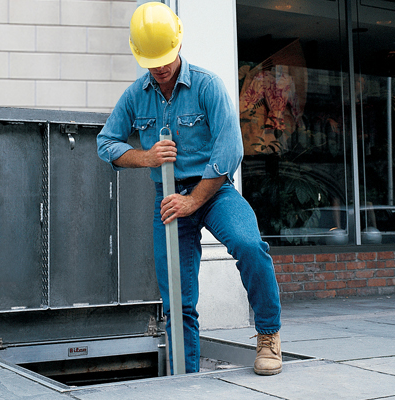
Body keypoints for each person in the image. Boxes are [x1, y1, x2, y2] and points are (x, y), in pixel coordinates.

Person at [96, 2, 282, 375]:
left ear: (178, 44)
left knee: (249, 244)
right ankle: (185, 376)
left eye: (165, 56)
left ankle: (268, 336)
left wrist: (193, 200)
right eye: (152, 60)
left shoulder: (208, 86)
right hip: (168, 199)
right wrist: (146, 157)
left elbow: (230, 152)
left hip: (214, 191)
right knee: (177, 296)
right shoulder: (136, 95)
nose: (160, 66)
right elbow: (106, 144)